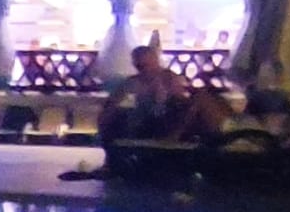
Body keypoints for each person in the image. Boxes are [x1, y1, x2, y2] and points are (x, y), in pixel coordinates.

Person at [98, 44, 232, 142]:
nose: (147, 70)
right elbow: (110, 112)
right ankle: (225, 134)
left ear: (156, 61)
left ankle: (226, 132)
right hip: (153, 124)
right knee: (201, 101)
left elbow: (179, 101)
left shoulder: (168, 77)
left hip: (169, 119)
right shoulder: (132, 83)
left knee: (205, 99)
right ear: (136, 65)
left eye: (149, 64)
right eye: (141, 66)